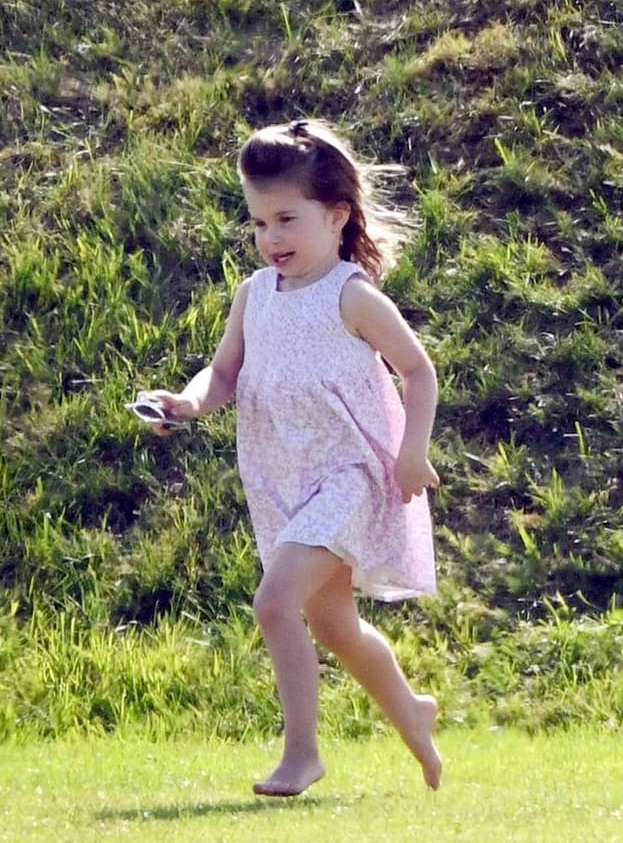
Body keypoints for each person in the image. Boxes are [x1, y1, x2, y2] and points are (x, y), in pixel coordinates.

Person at [141, 119, 443, 796]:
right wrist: (187, 403)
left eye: (286, 219)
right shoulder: (254, 295)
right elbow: (221, 376)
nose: (271, 237)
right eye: (258, 223)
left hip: (351, 477)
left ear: (336, 216)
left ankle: (301, 753)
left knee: (275, 602)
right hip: (287, 479)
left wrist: (411, 452)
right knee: (334, 627)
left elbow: (418, 371)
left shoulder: (352, 295)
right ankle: (412, 711)